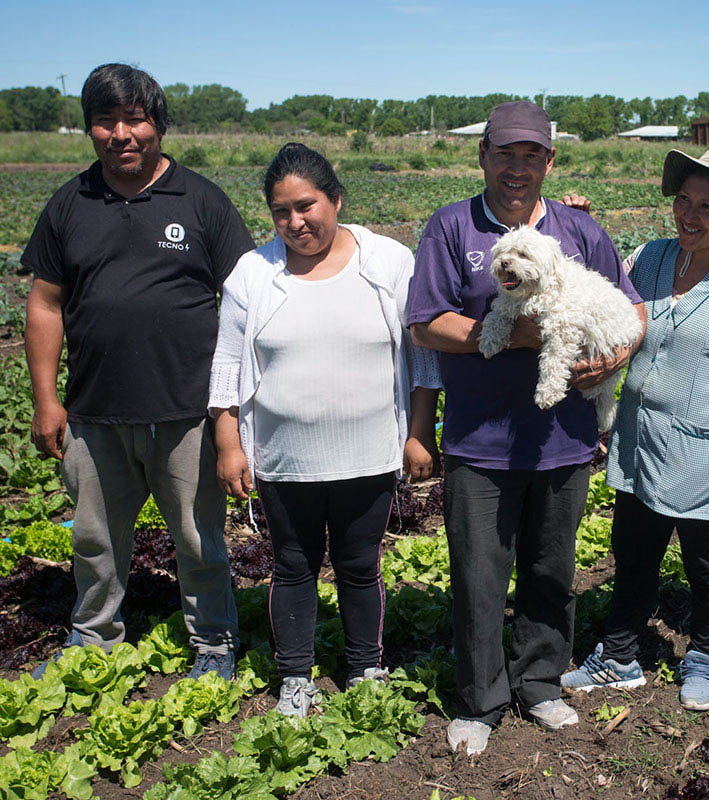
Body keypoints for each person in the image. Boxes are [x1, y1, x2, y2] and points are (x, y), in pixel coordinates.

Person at [406, 101, 646, 755]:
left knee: (550, 567)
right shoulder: (452, 228)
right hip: (481, 437)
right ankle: (480, 700)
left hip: (565, 435)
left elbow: (631, 305)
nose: (518, 167)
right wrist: (520, 333)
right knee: (480, 573)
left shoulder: (580, 231)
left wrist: (619, 352)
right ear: (482, 156)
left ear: (550, 161)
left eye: (531, 155)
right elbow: (427, 322)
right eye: (505, 154)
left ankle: (539, 682)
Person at [23, 64, 251, 680]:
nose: (122, 133)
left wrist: (236, 408)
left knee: (199, 538)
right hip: (95, 412)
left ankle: (213, 640)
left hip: (187, 411)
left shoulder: (201, 199)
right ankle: (93, 635)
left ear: (158, 125)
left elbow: (249, 299)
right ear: (90, 127)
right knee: (95, 538)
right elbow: (45, 304)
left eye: (135, 119)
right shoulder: (70, 202)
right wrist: (47, 401)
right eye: (106, 120)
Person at [561, 142, 709, 711]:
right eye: (684, 201)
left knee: (708, 565)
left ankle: (705, 658)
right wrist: (581, 226)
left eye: (708, 207)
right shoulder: (649, 256)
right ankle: (619, 657)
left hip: (707, 450)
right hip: (641, 440)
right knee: (633, 553)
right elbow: (603, 295)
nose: (690, 216)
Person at [209, 144, 440, 718]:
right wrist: (229, 442)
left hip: (368, 452)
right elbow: (227, 363)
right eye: (281, 212)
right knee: (293, 566)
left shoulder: (387, 263)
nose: (296, 222)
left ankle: (365, 666)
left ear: (335, 199)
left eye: (306, 206)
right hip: (286, 458)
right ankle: (295, 675)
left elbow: (422, 358)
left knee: (361, 565)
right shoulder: (254, 272)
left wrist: (419, 432)